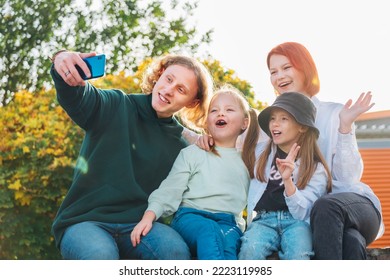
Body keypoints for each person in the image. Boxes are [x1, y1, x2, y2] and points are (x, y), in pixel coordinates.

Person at [49, 50, 214, 260]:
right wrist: (61, 60)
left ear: (191, 102)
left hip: (142, 227)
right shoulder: (116, 105)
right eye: (169, 79)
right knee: (101, 255)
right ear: (159, 75)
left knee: (176, 252)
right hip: (85, 222)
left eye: (181, 89)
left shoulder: (183, 146)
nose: (169, 90)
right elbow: (78, 96)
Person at [266, 42, 384, 259]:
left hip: (354, 207)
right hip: (315, 218)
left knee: (326, 206)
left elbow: (348, 179)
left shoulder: (334, 114)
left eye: (286, 67)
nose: (279, 76)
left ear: (304, 68)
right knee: (351, 242)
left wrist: (345, 128)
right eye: (273, 71)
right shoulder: (274, 124)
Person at [130, 85, 259, 259]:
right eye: (214, 110)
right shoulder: (192, 153)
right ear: (207, 122)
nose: (221, 113)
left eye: (229, 110)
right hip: (190, 217)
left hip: (230, 223)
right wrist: (149, 216)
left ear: (245, 122)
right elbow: (170, 189)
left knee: (229, 250)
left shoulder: (250, 160)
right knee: (209, 231)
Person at [238, 92, 331, 260]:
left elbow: (303, 213)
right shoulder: (260, 153)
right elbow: (226, 142)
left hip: (297, 223)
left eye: (284, 119)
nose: (275, 124)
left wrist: (288, 181)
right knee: (249, 250)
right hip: (263, 219)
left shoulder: (316, 168)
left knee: (299, 254)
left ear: (302, 127)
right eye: (272, 118)